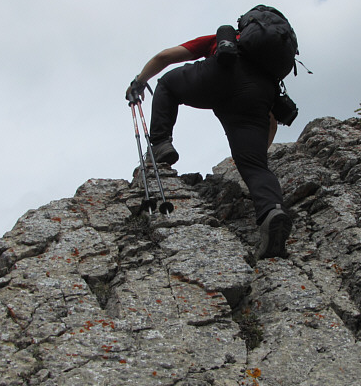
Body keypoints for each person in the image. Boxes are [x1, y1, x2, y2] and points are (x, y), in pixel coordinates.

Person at [125, 18, 292, 259]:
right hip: (256, 97)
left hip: (221, 73)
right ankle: (272, 212)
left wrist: (139, 82)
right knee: (256, 168)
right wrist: (254, 155)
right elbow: (272, 123)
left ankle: (161, 144)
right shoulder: (266, 69)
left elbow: (164, 57)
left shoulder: (227, 40)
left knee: (168, 85)